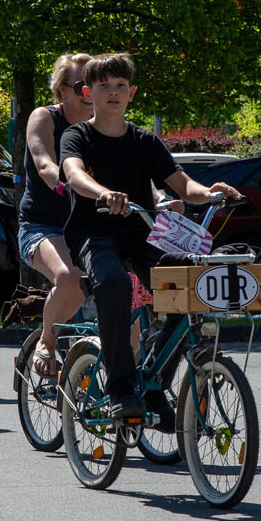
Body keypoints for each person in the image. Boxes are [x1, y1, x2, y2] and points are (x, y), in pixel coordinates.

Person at [60, 52, 241, 420]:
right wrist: (103, 193)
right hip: (93, 233)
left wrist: (210, 193)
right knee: (113, 284)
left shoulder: (145, 140)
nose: (113, 93)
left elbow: (182, 184)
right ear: (86, 92)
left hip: (142, 235)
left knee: (191, 284)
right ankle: (121, 389)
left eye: (120, 86)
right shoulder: (77, 135)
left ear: (132, 93)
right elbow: (74, 174)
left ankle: (156, 380)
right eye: (104, 86)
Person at [18, 52, 93, 377]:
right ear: (62, 90)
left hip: (91, 228)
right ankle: (47, 341)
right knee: (70, 278)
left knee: (134, 296)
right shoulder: (45, 117)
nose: (91, 94)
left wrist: (161, 196)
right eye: (82, 87)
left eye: (97, 86)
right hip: (42, 227)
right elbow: (44, 161)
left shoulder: (103, 125)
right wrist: (63, 183)